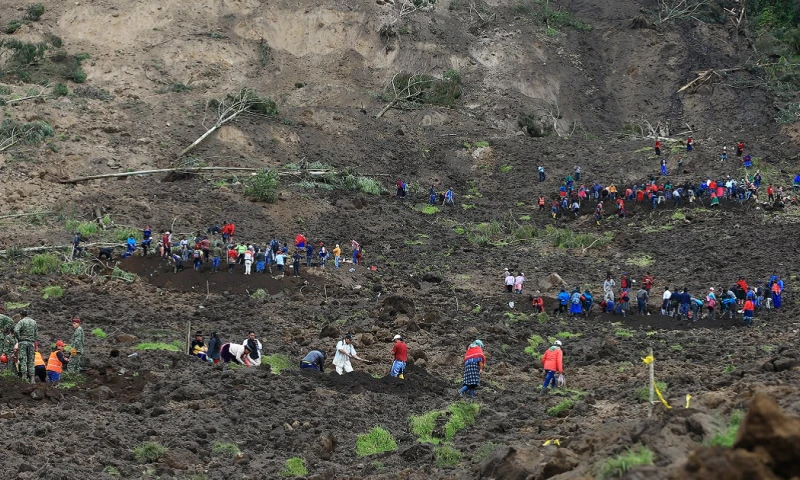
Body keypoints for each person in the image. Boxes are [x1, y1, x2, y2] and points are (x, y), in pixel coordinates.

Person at [13, 310, 37, 383]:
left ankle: (24, 377)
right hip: (31, 343)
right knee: (31, 360)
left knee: (23, 359)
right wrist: (33, 340)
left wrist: (19, 338)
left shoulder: (21, 322)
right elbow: (36, 333)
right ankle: (32, 378)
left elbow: (16, 330)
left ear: (21, 315)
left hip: (23, 342)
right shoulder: (34, 322)